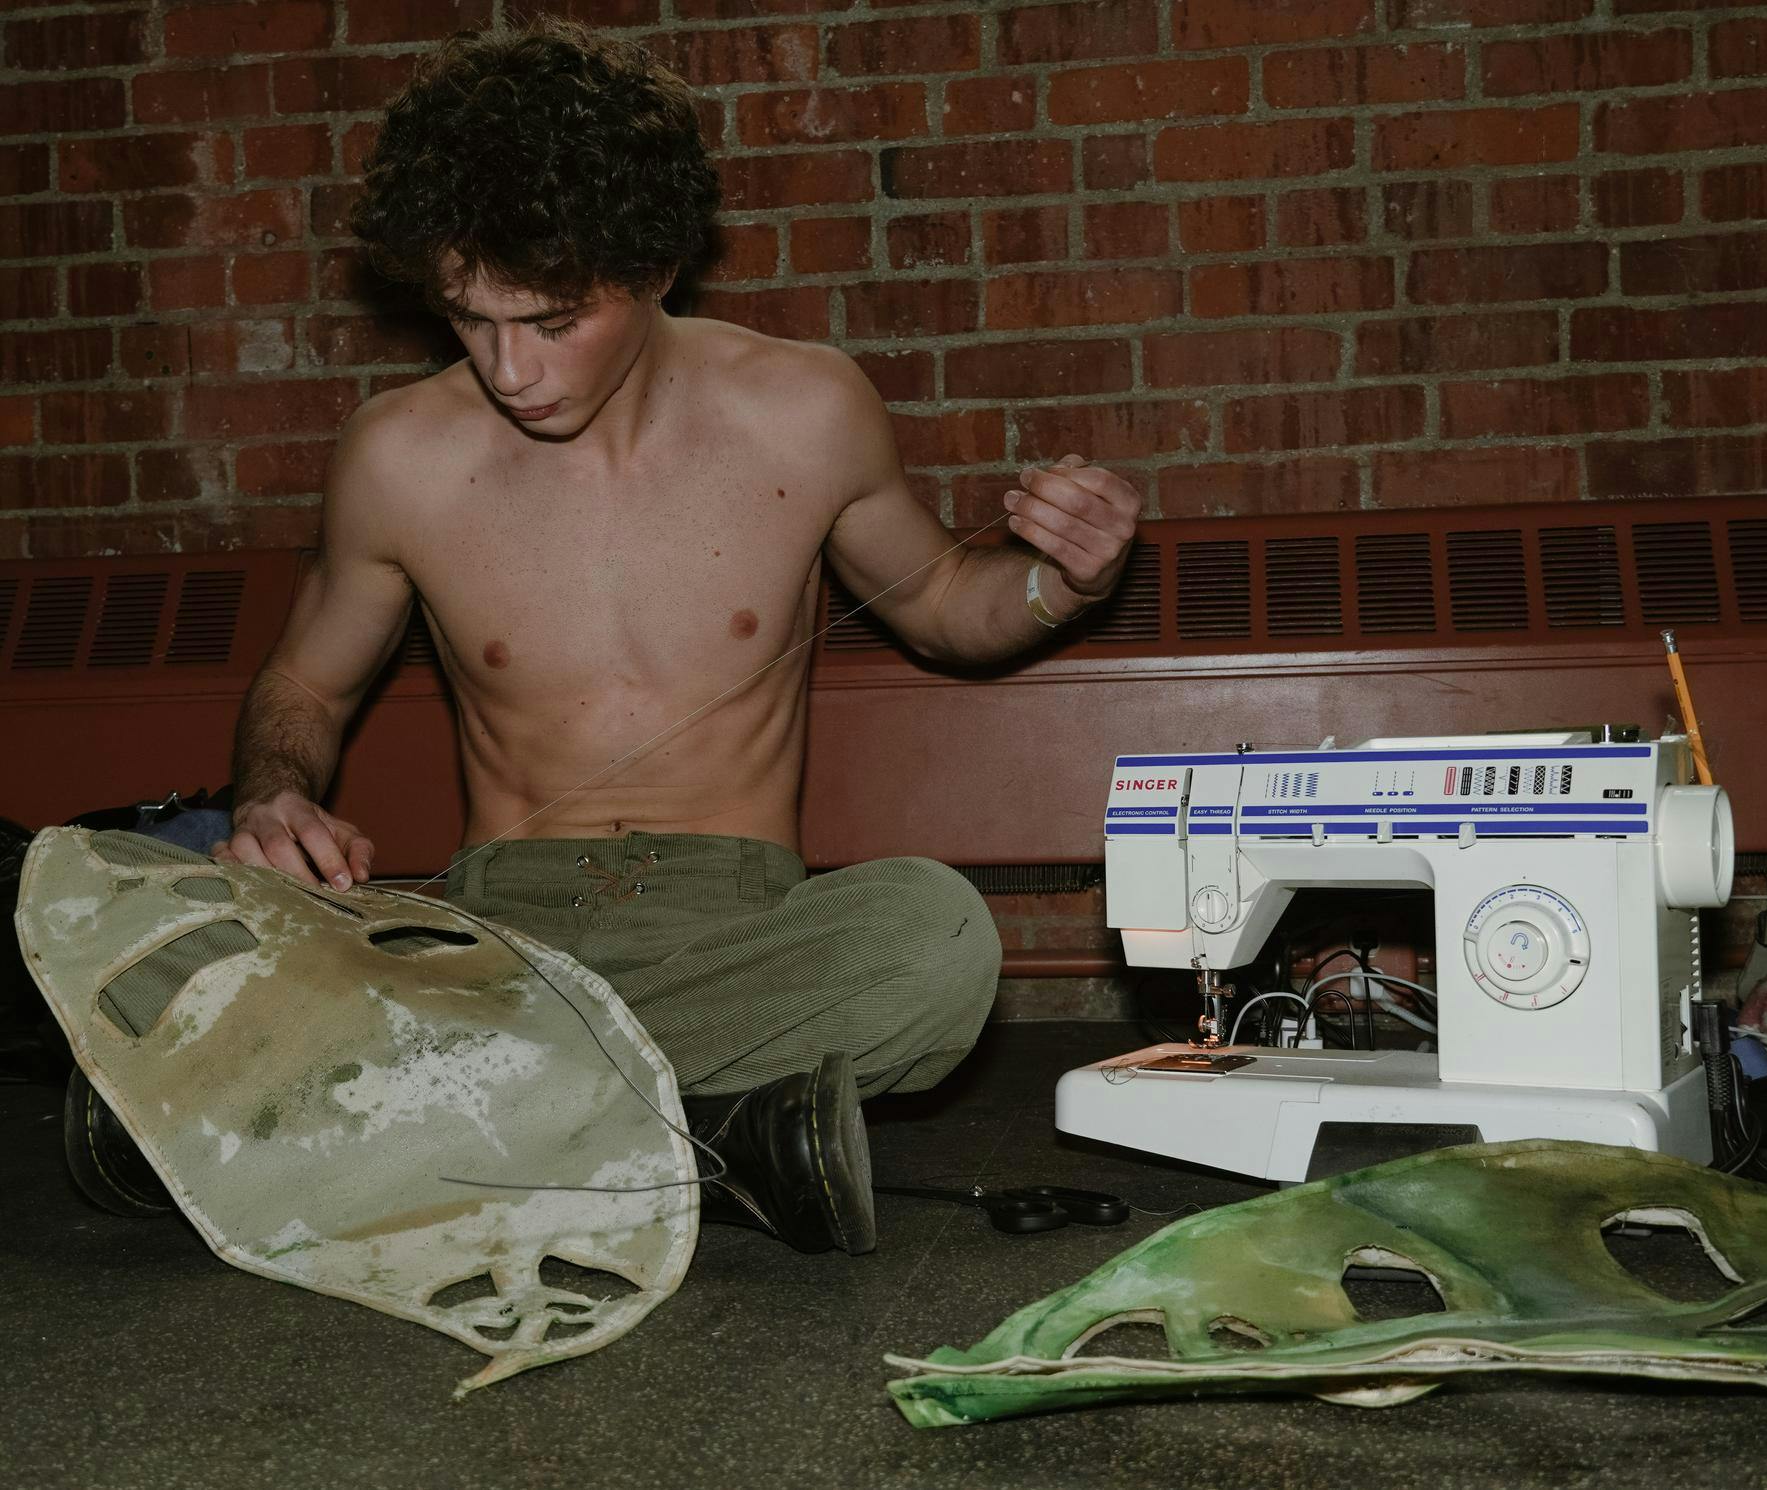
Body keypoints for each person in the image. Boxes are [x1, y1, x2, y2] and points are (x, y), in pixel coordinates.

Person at [187, 22, 1139, 1256]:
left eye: (549, 319)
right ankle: (707, 1136)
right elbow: (306, 682)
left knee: (936, 933)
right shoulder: (399, 456)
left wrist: (1070, 577)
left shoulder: (803, 410)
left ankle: (472, 1125)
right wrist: (268, 797)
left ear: (652, 264)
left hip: (741, 925)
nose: (509, 368)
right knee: (220, 939)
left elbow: (949, 604)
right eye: (471, 320)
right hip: (503, 934)